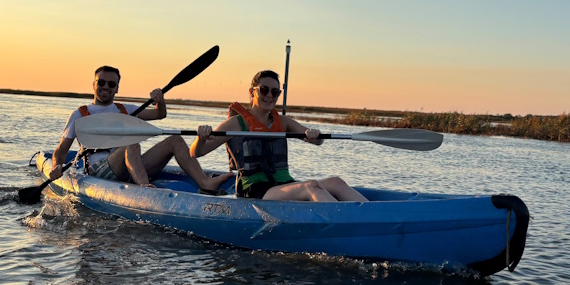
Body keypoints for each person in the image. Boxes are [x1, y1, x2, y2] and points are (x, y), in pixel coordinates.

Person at [190, 70, 367, 202]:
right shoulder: (236, 123)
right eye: (264, 90)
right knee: (310, 186)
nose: (269, 96)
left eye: (275, 92)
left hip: (281, 185)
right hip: (254, 190)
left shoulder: (283, 122)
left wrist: (314, 135)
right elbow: (196, 153)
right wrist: (201, 138)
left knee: (336, 182)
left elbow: (318, 141)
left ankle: (372, 217)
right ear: (252, 93)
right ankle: (344, 222)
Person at [49, 65, 233, 190]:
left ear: (117, 88)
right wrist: (56, 166)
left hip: (130, 165)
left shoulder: (124, 109)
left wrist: (160, 101)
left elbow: (159, 114)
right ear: (94, 85)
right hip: (99, 170)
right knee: (132, 140)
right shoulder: (79, 114)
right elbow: (61, 150)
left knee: (175, 140)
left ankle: (204, 183)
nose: (106, 87)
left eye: (111, 84)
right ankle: (145, 189)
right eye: (101, 82)